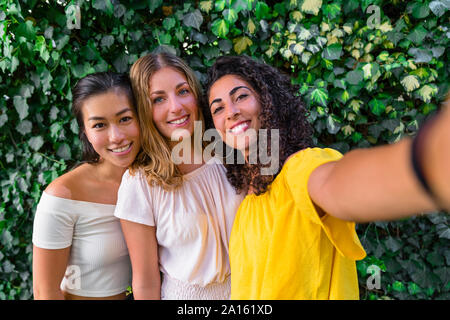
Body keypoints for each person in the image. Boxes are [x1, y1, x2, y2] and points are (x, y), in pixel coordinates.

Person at [205, 55, 449, 300]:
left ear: (267, 101)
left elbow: (338, 185)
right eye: (218, 108)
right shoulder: (247, 203)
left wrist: (427, 164)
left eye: (241, 96)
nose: (231, 112)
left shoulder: (301, 168)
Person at [113, 52, 244, 299]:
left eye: (183, 91)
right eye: (158, 99)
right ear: (143, 108)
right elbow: (145, 282)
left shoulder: (227, 152)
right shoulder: (140, 183)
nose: (176, 107)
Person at [32, 72, 140, 300]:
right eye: (99, 125)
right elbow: (45, 292)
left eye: (125, 119)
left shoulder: (154, 178)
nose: (116, 136)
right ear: (85, 132)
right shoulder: (63, 195)